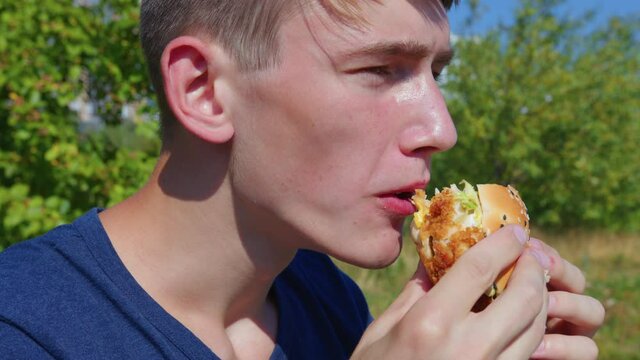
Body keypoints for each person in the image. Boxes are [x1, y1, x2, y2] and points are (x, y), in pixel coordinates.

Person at [0, 0, 604, 358]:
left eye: (435, 71)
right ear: (203, 91)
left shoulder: (325, 297)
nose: (441, 128)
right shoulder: (26, 332)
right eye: (380, 69)